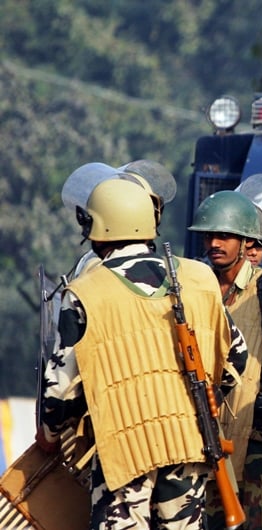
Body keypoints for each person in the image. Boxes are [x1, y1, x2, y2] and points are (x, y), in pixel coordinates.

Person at [36, 177, 248, 529]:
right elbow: (234, 359)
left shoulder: (85, 292)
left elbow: (61, 394)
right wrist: (193, 404)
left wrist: (49, 434)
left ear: (97, 227)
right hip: (189, 442)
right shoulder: (199, 279)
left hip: (123, 449)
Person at [188, 189, 262, 530]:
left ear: (245, 241)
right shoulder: (197, 291)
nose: (215, 243)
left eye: (225, 235)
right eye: (209, 235)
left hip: (259, 452)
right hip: (207, 448)